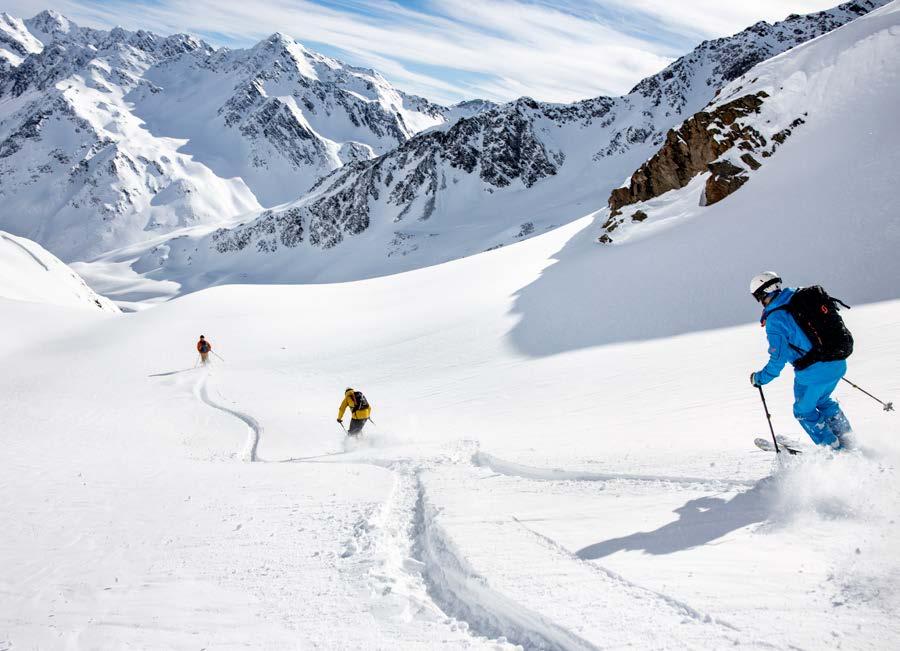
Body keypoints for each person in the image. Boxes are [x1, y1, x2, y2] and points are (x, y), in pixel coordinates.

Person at [749, 272, 853, 449]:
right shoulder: (799, 297)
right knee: (823, 401)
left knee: (803, 411)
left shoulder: (775, 319)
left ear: (762, 294)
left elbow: (777, 359)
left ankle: (834, 450)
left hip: (814, 371)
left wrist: (760, 378)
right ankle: (849, 440)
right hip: (837, 361)